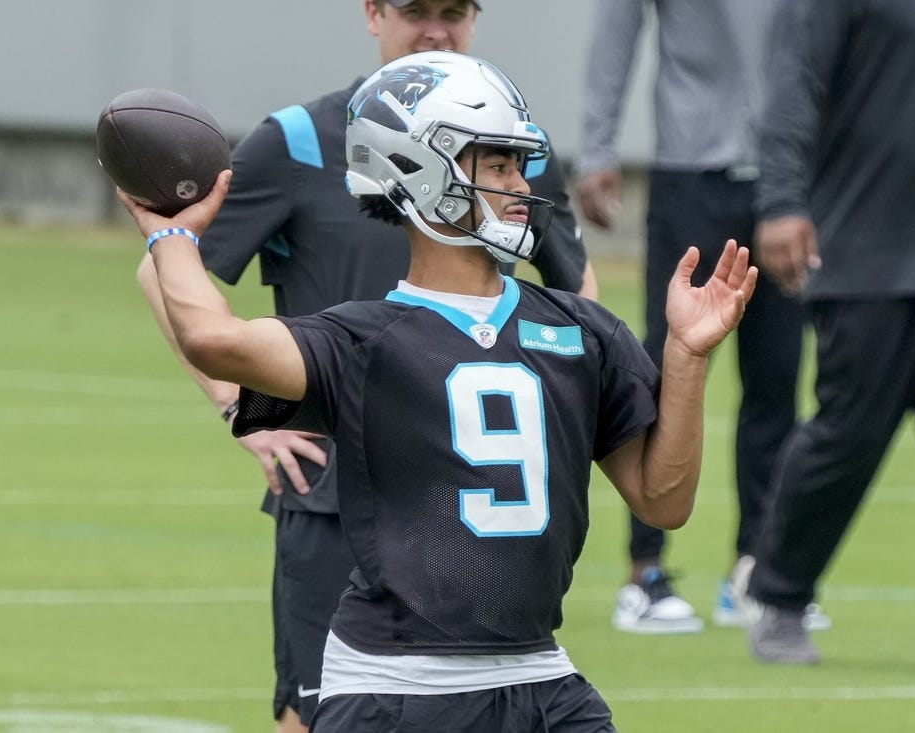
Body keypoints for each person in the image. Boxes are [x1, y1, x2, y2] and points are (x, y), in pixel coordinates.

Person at [121, 49, 756, 733]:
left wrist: (687, 356)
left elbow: (663, 500)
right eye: (498, 163)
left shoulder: (579, 329)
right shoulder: (360, 342)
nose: (521, 183)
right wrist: (173, 235)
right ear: (417, 169)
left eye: (520, 162)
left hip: (540, 677)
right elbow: (214, 339)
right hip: (397, 689)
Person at [135, 2, 598, 731]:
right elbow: (164, 266)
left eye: (455, 11)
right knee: (310, 716)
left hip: (473, 512)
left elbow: (578, 294)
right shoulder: (297, 140)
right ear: (373, 13)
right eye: (416, 10)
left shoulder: (507, 147)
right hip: (333, 495)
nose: (437, 30)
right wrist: (241, 409)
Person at [575, 0, 819, 635]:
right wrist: (597, 147)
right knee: (664, 367)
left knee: (777, 376)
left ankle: (754, 570)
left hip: (784, 179)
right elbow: (616, 28)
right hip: (691, 176)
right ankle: (644, 571)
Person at [745, 0, 915, 670]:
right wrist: (780, 201)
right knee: (848, 437)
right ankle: (777, 594)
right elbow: (794, 86)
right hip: (871, 254)